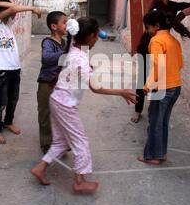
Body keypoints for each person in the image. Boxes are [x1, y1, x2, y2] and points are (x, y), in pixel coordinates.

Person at [31, 17, 138, 194]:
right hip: (65, 104)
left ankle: (40, 167)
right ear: (89, 37)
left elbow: (78, 66)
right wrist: (121, 92)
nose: (96, 40)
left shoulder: (73, 49)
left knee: (61, 141)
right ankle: (79, 181)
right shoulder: (79, 57)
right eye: (95, 37)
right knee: (81, 141)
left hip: (57, 99)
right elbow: (95, 88)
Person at [0, 0, 42, 144]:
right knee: (1, 101)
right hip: (1, 69)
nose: (11, 13)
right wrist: (31, 8)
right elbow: (12, 7)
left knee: (13, 98)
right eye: (5, 10)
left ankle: (8, 121)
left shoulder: (7, 24)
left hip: (14, 67)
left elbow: (12, 6)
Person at [137, 10, 183, 165]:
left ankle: (152, 156)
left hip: (162, 88)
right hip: (176, 86)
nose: (147, 31)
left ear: (156, 26)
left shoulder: (156, 41)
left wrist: (147, 85)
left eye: (148, 27)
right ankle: (161, 153)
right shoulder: (173, 40)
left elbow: (158, 66)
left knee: (155, 121)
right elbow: (180, 64)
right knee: (163, 121)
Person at [37, 11, 68, 154]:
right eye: (64, 22)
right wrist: (66, 54)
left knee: (60, 113)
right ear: (54, 26)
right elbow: (46, 58)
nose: (66, 25)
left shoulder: (66, 43)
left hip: (61, 84)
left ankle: (60, 141)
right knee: (45, 113)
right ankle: (46, 143)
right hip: (47, 83)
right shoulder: (48, 42)